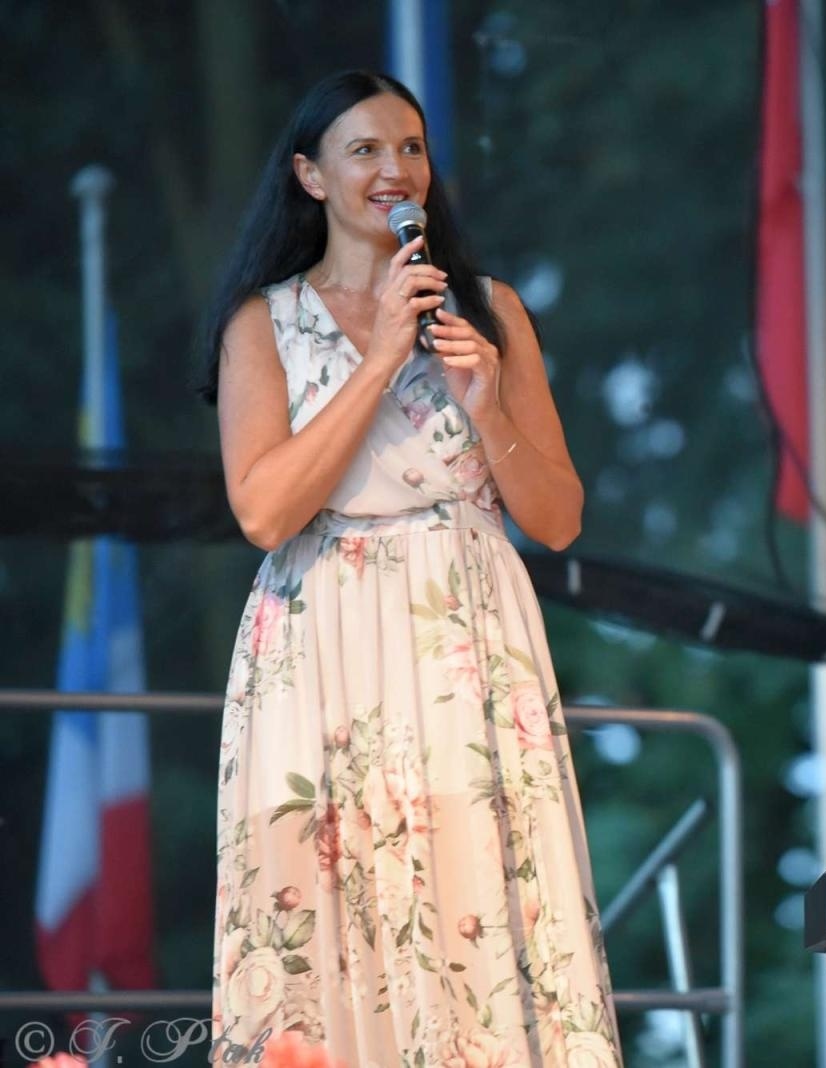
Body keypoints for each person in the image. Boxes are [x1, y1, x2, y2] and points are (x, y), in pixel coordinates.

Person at [198, 70, 622, 1067]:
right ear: (310, 175)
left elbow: (557, 519)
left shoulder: (491, 310)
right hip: (323, 648)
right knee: (327, 903)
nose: (395, 169)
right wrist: (381, 355)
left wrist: (487, 403)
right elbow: (263, 511)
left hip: (464, 637)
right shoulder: (262, 321)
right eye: (365, 150)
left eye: (411, 148)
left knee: (476, 899)